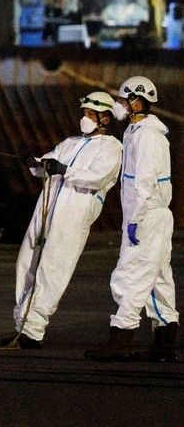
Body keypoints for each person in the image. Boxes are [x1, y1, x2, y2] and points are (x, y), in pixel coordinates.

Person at [10, 91, 122, 348]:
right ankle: (22, 325)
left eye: (91, 114)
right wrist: (33, 162)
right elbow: (47, 165)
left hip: (73, 214)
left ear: (105, 118)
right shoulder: (69, 142)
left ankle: (33, 331)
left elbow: (97, 177)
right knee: (27, 262)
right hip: (46, 209)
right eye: (84, 113)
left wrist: (64, 170)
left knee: (53, 268)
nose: (85, 118)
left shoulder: (112, 148)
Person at [86, 76, 178, 362]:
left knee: (129, 277)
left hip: (146, 215)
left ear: (137, 102)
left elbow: (144, 183)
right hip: (149, 215)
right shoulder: (136, 131)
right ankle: (164, 344)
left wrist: (135, 220)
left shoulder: (147, 136)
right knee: (158, 280)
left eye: (123, 100)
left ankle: (120, 337)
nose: (119, 105)